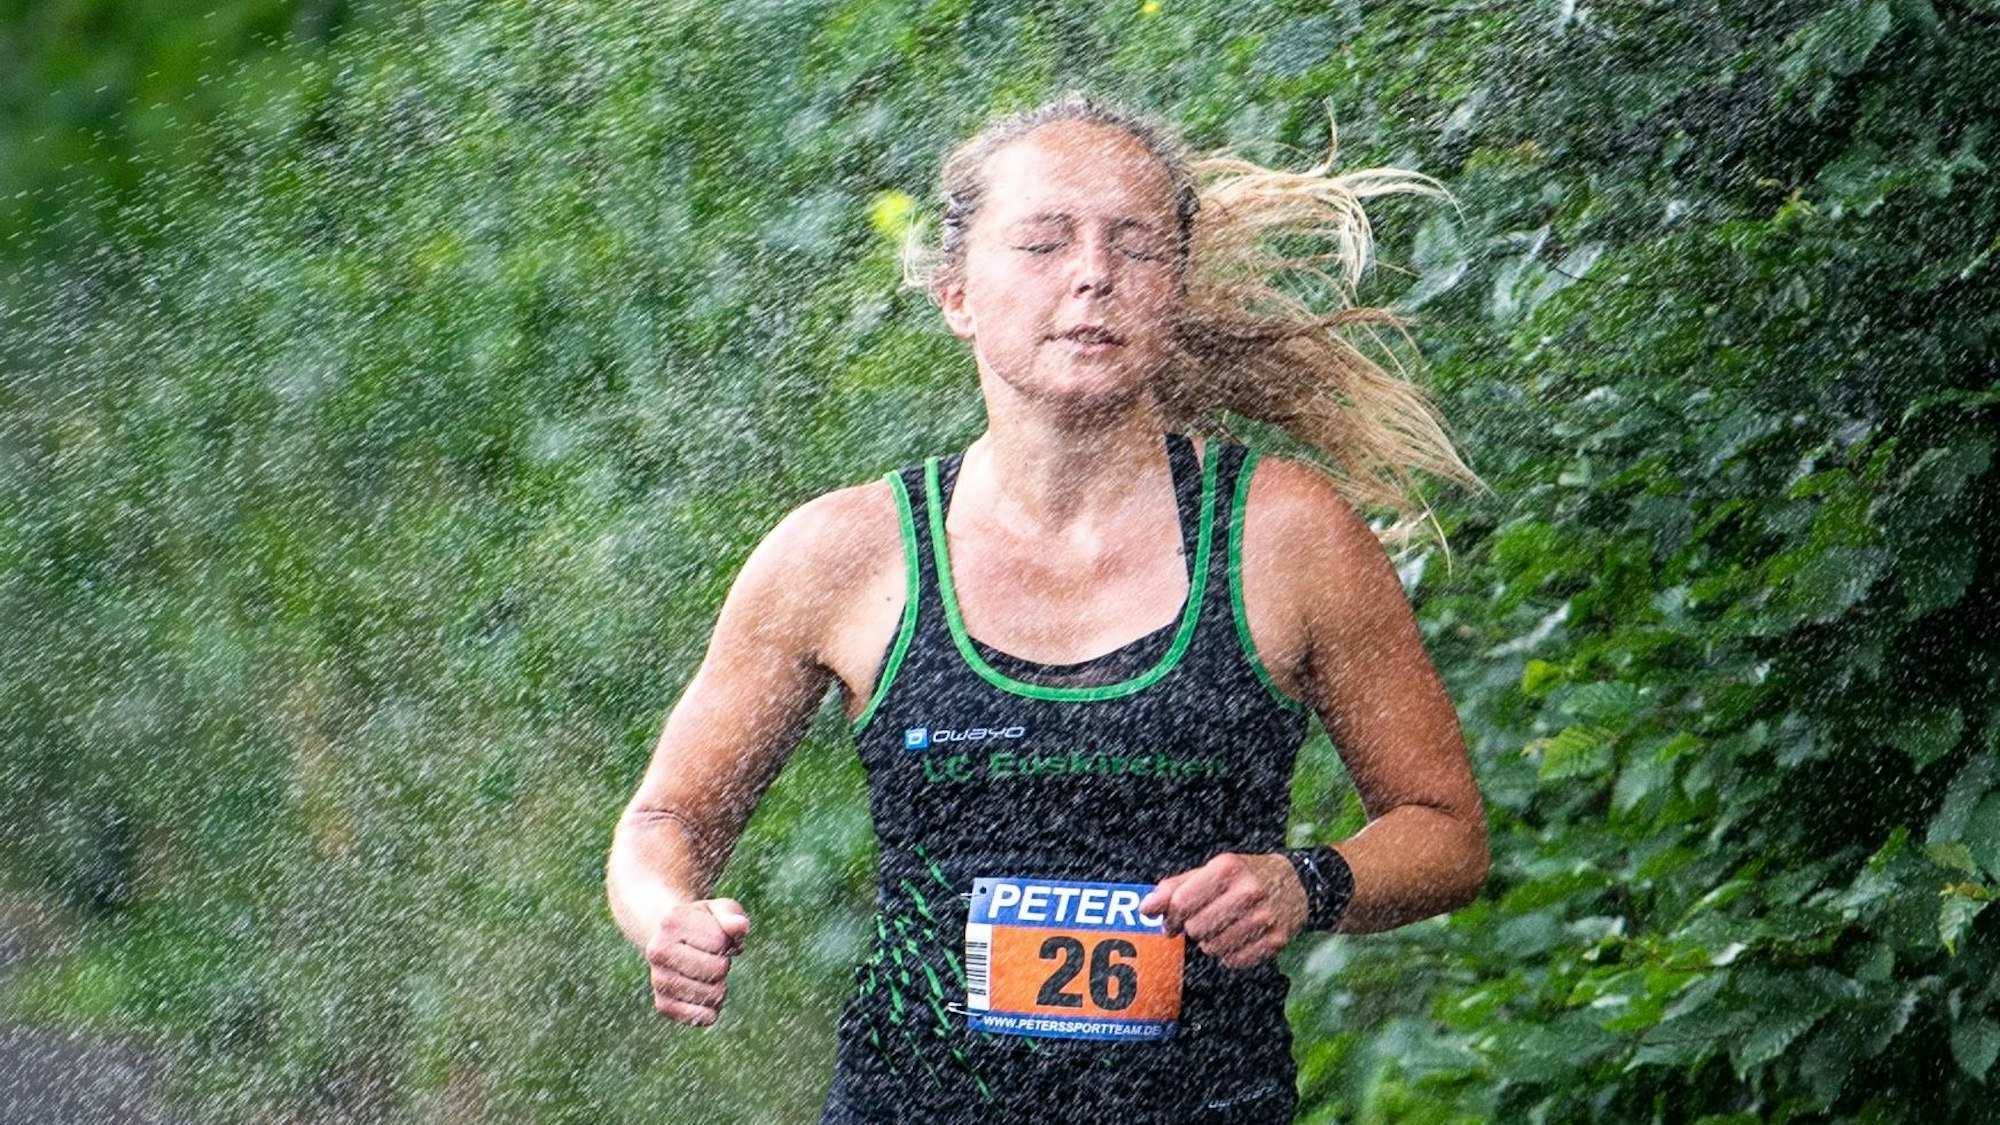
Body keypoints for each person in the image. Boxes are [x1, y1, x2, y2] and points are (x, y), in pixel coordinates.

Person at [606, 94, 1490, 1124]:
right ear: (954, 293)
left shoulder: (1281, 535)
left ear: (1173, 289)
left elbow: (1447, 836)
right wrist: (665, 916)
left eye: (1136, 247)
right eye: (1040, 242)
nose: (1091, 274)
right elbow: (667, 819)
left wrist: (1305, 883)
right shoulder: (843, 554)